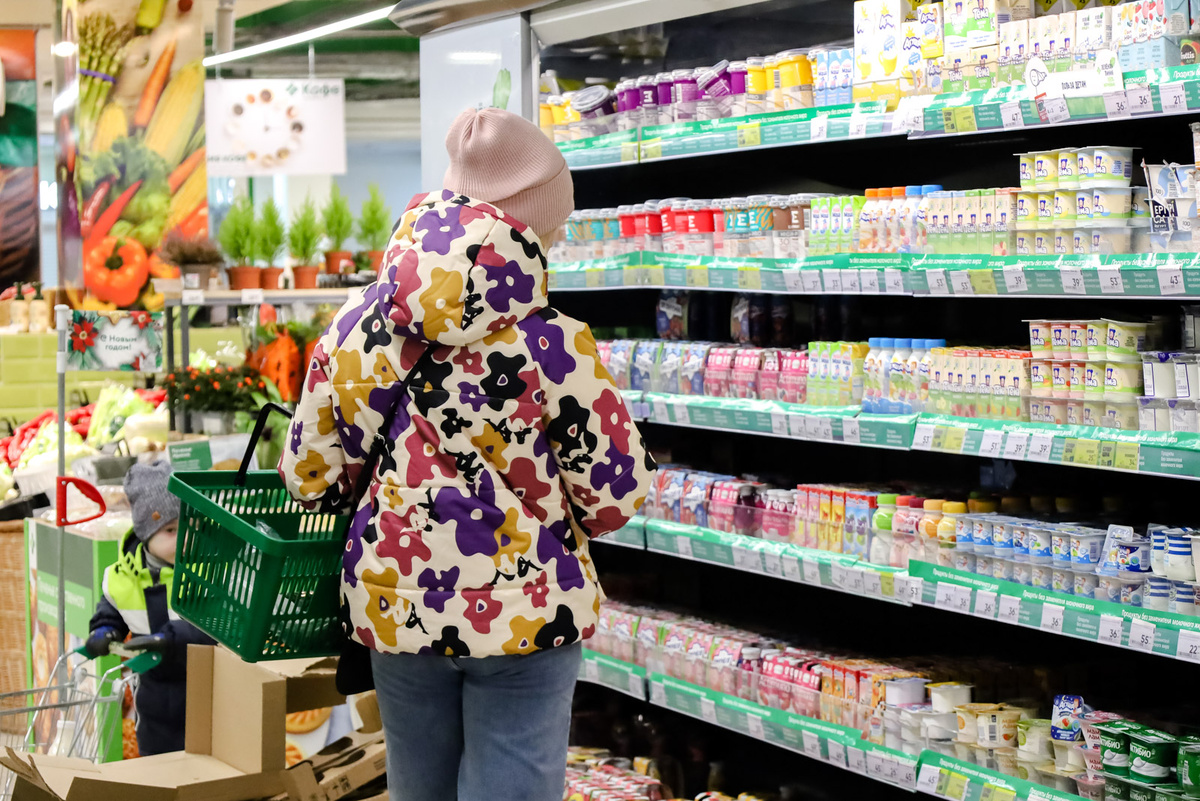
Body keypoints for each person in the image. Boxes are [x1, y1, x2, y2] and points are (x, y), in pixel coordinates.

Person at [281, 107, 654, 801]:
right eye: (556, 226)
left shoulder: (356, 324)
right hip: (526, 611)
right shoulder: (554, 342)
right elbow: (617, 496)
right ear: (527, 224)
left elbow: (309, 474)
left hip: (396, 603)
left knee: (417, 787)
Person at [85, 461, 215, 756]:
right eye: (170, 530)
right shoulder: (122, 577)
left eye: (190, 528)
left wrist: (172, 637)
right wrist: (104, 630)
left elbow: (220, 624)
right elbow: (110, 610)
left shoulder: (209, 572)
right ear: (146, 533)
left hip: (210, 694)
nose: (184, 539)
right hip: (155, 703)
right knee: (158, 767)